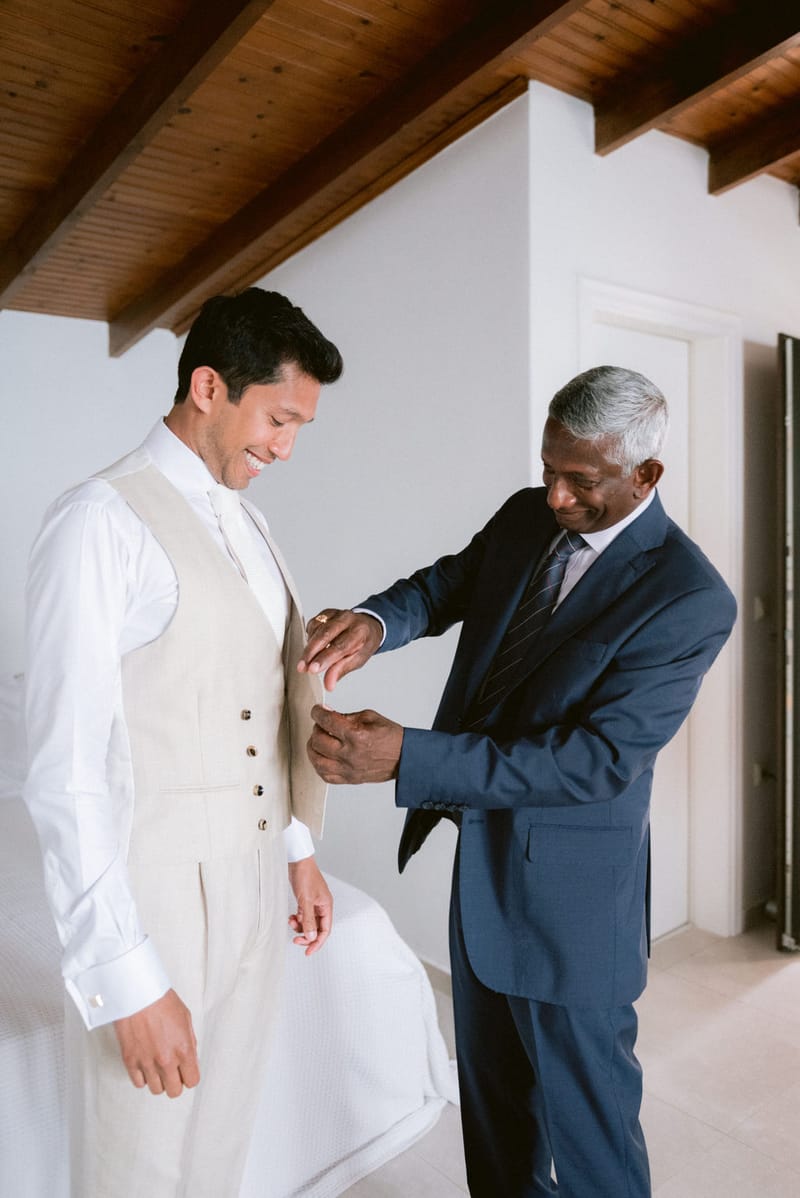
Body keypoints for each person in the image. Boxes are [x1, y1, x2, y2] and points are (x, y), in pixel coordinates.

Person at [298, 365, 736, 1198]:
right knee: (495, 1116)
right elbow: (452, 584)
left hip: (574, 906)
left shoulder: (689, 599)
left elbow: (595, 762)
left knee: (593, 1138)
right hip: (482, 874)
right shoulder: (525, 515)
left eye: (583, 480)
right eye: (549, 471)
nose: (559, 498)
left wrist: (410, 757)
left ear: (648, 475)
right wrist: (379, 621)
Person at [23, 288, 343, 1197]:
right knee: (139, 1158)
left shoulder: (250, 519)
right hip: (156, 890)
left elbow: (258, 700)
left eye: (299, 427)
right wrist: (125, 977)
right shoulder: (99, 521)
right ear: (209, 385)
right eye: (279, 418)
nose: (285, 447)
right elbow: (65, 769)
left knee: (220, 1143)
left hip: (251, 888)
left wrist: (298, 849)